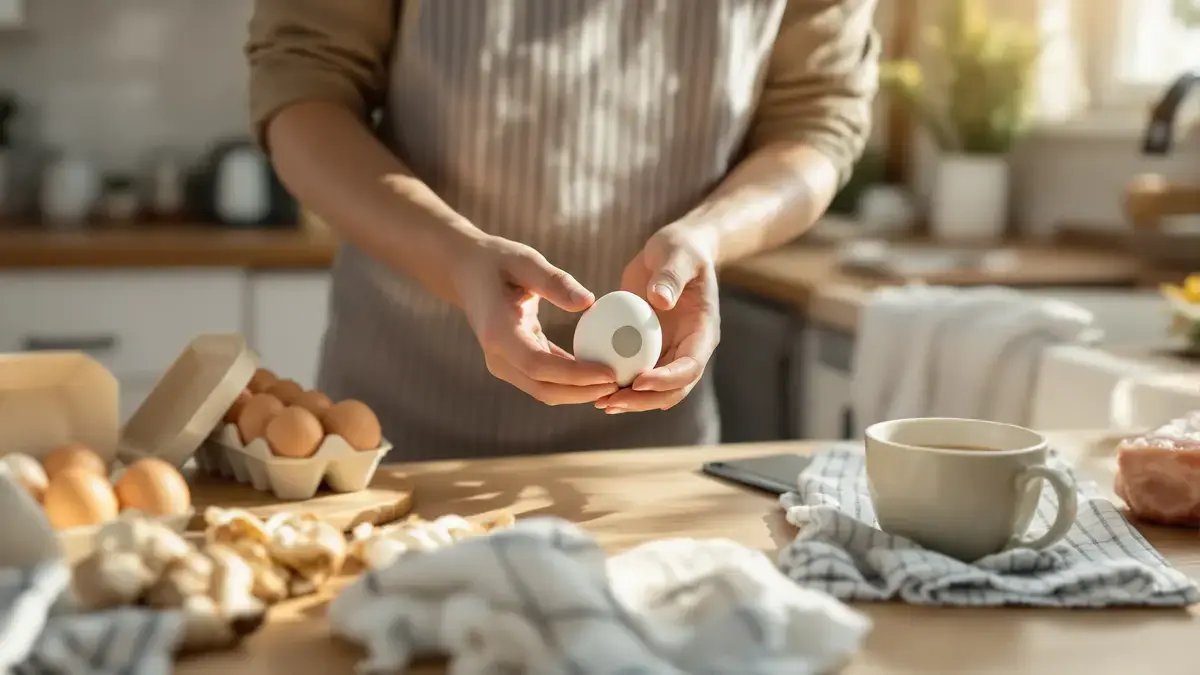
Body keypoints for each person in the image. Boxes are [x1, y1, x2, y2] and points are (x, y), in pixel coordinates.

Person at [246, 0, 879, 460]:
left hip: (646, 458)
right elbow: (304, 89)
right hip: (396, 434)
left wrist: (708, 235)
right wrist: (455, 257)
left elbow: (818, 121)